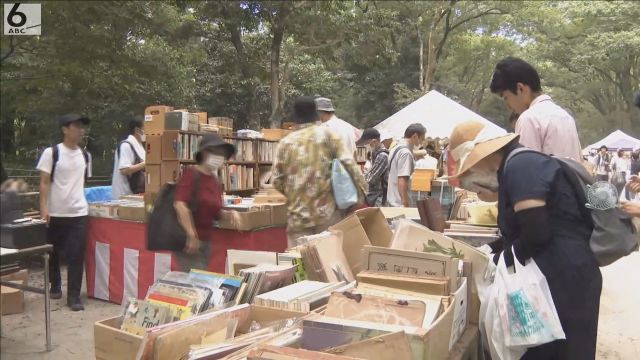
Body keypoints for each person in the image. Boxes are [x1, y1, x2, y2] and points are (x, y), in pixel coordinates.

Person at [448, 120, 601, 359]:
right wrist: (485, 251)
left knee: (558, 351)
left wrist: (496, 261)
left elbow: (536, 233)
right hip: (556, 276)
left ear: (483, 156)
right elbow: (519, 233)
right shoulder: (515, 167)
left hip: (562, 279)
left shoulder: (521, 165)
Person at [273, 96, 366, 247]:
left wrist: (295, 194)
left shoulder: (285, 142)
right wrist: (359, 197)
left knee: (299, 264)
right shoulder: (329, 136)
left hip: (297, 218)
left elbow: (277, 180)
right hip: (327, 214)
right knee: (328, 261)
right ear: (316, 113)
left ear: (295, 117)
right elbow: (351, 166)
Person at [37, 114, 92, 311]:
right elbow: (44, 182)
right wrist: (43, 207)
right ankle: (55, 285)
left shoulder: (86, 156)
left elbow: (83, 182)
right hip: (55, 213)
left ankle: (74, 297)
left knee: (76, 255)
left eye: (82, 127)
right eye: (76, 126)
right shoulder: (52, 153)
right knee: (53, 253)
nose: (81, 130)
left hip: (78, 213)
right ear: (65, 129)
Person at [490, 57, 583, 161]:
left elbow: (526, 169)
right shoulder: (565, 116)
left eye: (506, 97)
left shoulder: (529, 119)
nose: (507, 106)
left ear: (520, 88)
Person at [173, 134, 240, 272]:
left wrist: (230, 213)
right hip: (188, 241)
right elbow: (180, 204)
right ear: (204, 153)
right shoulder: (190, 174)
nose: (219, 157)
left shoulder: (214, 180)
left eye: (222, 154)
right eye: (215, 152)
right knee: (197, 282)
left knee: (199, 280)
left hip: (206, 241)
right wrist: (191, 234)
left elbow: (215, 213)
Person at [386, 123, 426, 207]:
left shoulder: (395, 148)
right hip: (399, 203)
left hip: (392, 199)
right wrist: (405, 203)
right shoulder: (406, 153)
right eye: (422, 139)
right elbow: (402, 179)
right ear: (415, 136)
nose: (422, 142)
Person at [111, 116, 146, 199]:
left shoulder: (140, 146)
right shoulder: (126, 145)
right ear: (137, 130)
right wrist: (146, 163)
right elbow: (124, 170)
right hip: (124, 194)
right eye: (146, 128)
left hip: (134, 193)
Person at [358, 128, 389, 207]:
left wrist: (357, 180)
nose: (366, 146)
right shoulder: (374, 153)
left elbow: (371, 178)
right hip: (374, 194)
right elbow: (370, 172)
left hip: (380, 197)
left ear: (374, 141)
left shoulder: (382, 155)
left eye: (367, 143)